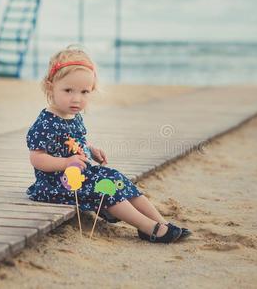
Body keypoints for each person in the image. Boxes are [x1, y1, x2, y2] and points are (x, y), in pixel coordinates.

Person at [26, 45, 191, 243]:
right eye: (68, 90)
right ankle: (148, 228)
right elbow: (37, 158)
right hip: (56, 184)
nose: (76, 98)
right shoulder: (45, 122)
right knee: (105, 188)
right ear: (51, 86)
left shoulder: (74, 116)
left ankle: (160, 222)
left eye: (84, 92)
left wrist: (90, 150)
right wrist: (65, 163)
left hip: (80, 175)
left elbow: (76, 143)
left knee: (116, 178)